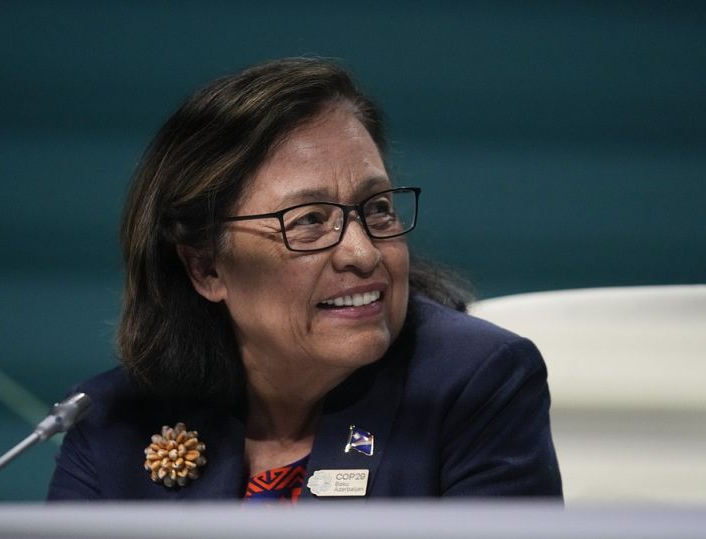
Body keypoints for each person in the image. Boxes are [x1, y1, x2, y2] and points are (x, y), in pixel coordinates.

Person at [47, 57, 562, 501]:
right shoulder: (112, 423)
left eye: (378, 208)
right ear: (206, 268)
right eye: (309, 221)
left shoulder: (474, 385)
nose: (363, 253)